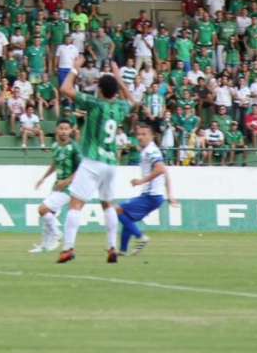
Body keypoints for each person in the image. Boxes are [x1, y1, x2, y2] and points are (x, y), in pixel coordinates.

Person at [57, 56, 136, 263]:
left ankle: (68, 248)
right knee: (107, 204)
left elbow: (65, 89)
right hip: (111, 163)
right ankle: (112, 247)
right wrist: (119, 78)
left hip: (92, 160)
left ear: (99, 89)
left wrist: (74, 69)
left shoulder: (94, 103)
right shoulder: (119, 108)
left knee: (76, 205)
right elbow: (133, 101)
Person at [117, 122, 178, 255]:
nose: (140, 137)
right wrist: (170, 195)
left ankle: (141, 237)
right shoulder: (147, 150)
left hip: (152, 196)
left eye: (144, 134)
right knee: (128, 218)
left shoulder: (151, 150)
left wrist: (140, 181)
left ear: (152, 136)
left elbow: (160, 169)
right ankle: (122, 250)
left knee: (119, 210)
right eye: (138, 134)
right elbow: (165, 172)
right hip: (154, 196)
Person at [30, 119, 81, 253]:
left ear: (70, 131)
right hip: (58, 186)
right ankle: (45, 246)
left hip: (70, 188)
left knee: (42, 209)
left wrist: (67, 181)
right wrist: (43, 178)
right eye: (61, 128)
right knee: (48, 216)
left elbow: (82, 168)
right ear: (56, 130)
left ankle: (57, 233)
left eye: (66, 129)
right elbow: (55, 164)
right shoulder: (55, 146)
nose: (64, 131)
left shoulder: (74, 147)